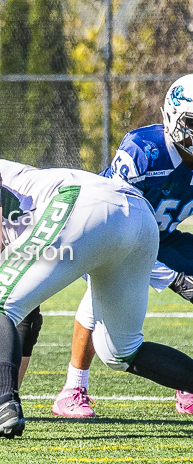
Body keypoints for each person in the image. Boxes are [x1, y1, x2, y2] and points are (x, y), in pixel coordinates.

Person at [0, 140, 193, 440]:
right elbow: (24, 317)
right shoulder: (10, 196)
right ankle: (1, 404)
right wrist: (9, 395)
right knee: (120, 351)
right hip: (137, 214)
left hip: (83, 204)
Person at [52, 74, 193, 418]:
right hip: (108, 235)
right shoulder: (144, 150)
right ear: (173, 117)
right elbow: (118, 225)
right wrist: (174, 276)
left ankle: (185, 380)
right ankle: (73, 387)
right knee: (103, 313)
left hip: (163, 235)